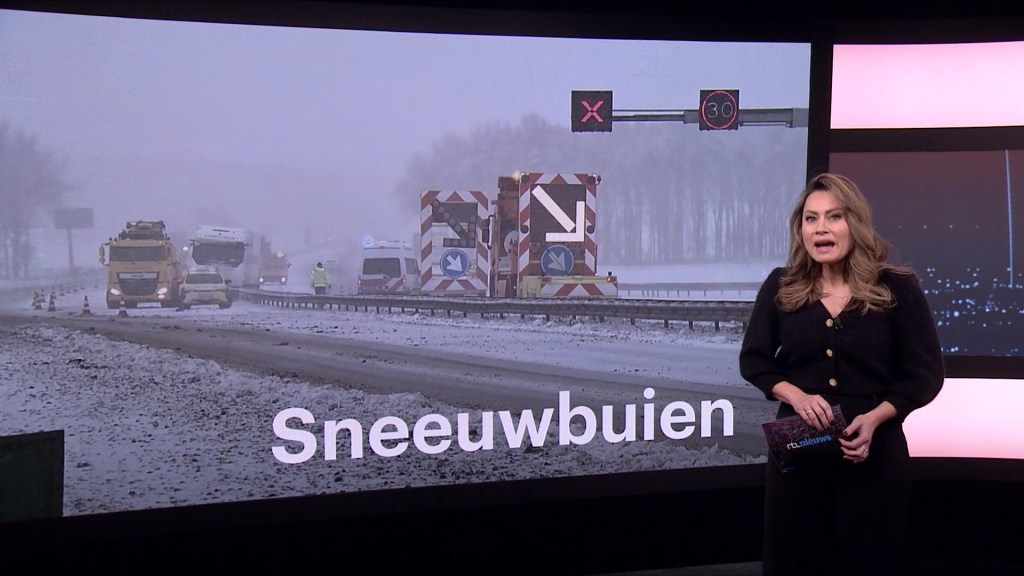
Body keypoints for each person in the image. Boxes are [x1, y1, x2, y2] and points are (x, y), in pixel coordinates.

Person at [739, 172, 944, 576]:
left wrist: (876, 418)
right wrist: (796, 396)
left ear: (855, 223)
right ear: (801, 229)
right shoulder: (781, 286)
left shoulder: (897, 288)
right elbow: (755, 360)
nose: (821, 228)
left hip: (876, 458)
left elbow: (924, 374)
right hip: (798, 456)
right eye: (811, 218)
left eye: (834, 217)